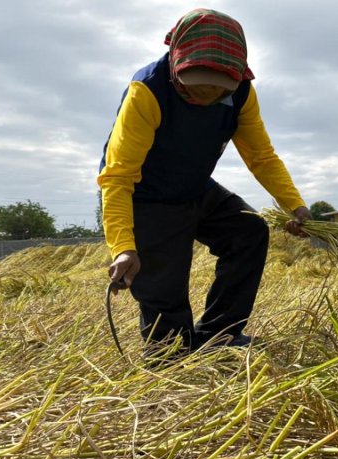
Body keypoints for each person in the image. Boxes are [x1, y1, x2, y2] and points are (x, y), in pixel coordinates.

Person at [97, 8, 311, 351]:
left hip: (195, 186)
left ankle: (220, 333)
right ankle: (169, 353)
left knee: (248, 232)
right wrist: (123, 247)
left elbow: (262, 157)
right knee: (165, 299)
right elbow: (117, 176)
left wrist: (296, 206)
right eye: (195, 86)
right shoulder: (147, 91)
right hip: (145, 195)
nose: (204, 96)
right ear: (177, 64)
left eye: (216, 90)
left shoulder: (242, 93)